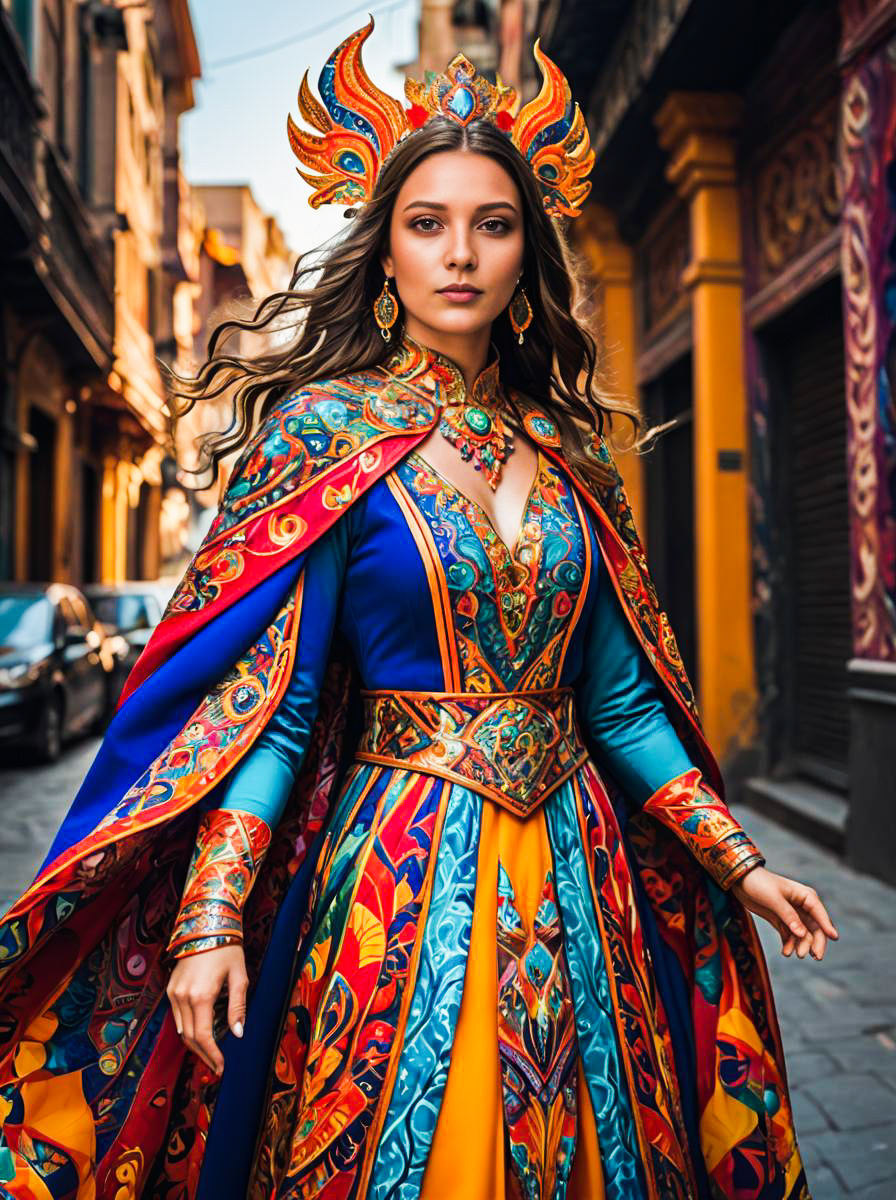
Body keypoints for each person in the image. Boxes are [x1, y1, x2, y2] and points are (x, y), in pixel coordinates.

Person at [0, 20, 837, 1199]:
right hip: (389, 881)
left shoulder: (572, 461)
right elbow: (272, 711)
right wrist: (210, 919)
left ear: (523, 253)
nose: (461, 254)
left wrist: (741, 863)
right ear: (383, 250)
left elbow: (617, 700)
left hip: (579, 872)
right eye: (426, 223)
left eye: (492, 226)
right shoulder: (326, 437)